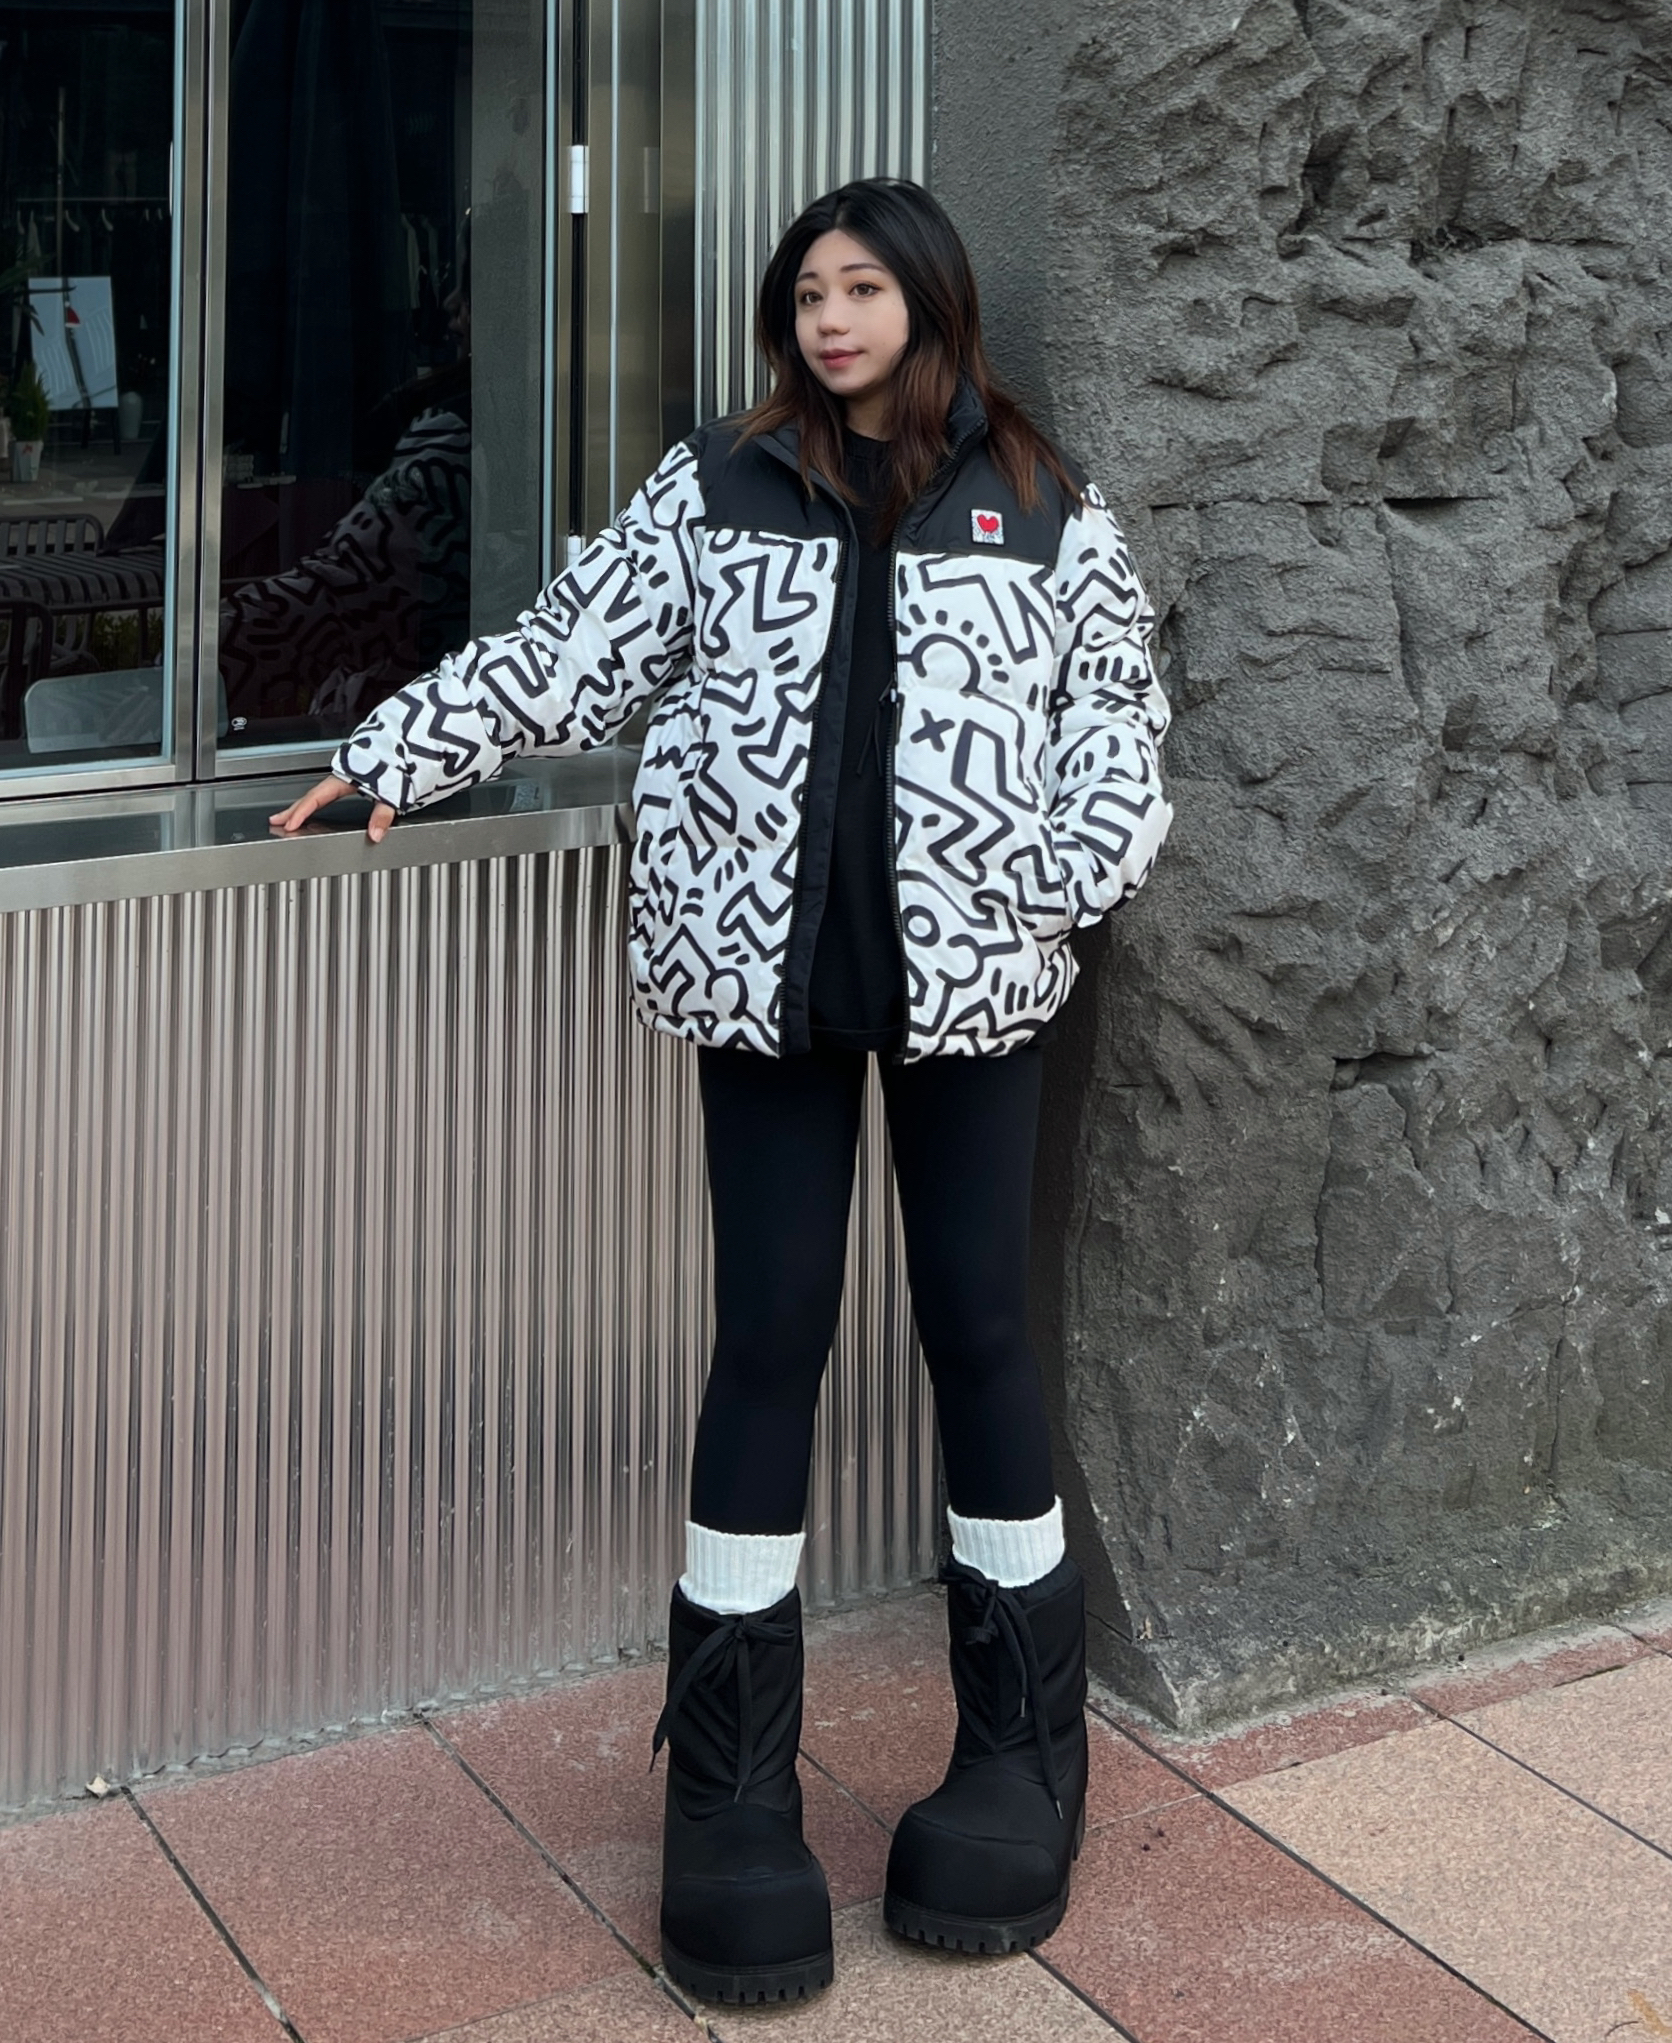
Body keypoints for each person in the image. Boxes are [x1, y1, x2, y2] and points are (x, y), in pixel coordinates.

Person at [273, 180, 1172, 2005]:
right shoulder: (721, 484)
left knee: (980, 1334)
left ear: (930, 301)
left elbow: (1121, 725)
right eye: (807, 291)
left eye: (863, 288)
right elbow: (566, 650)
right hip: (764, 1000)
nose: (830, 317)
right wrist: (399, 752)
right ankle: (732, 1788)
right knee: (767, 1340)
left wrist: (1041, 884)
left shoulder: (1040, 498)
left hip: (974, 993)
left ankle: (1023, 1752)